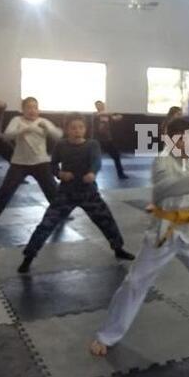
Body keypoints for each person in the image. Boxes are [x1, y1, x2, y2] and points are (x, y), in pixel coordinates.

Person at [89, 117, 189, 356]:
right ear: (172, 139)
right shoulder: (162, 160)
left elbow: (186, 192)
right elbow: (163, 188)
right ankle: (106, 336)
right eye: (185, 136)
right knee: (135, 282)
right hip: (164, 231)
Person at [18, 113, 134, 273]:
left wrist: (93, 173)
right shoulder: (61, 145)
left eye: (80, 127)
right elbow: (52, 165)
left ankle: (118, 249)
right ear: (67, 130)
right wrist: (60, 174)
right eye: (73, 128)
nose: (77, 131)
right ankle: (28, 257)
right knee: (46, 224)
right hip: (66, 193)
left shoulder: (92, 144)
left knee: (106, 220)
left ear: (85, 129)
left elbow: (96, 161)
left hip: (89, 192)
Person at [0, 97, 63, 228]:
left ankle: (60, 213)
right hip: (19, 163)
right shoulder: (17, 120)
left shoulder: (43, 121)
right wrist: (24, 129)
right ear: (23, 109)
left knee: (52, 189)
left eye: (35, 107)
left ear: (38, 109)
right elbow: (7, 136)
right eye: (29, 107)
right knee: (6, 190)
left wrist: (48, 128)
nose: (32, 110)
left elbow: (58, 135)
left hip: (41, 162)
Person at [93, 100, 128, 179]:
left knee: (116, 156)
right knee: (92, 158)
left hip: (107, 141)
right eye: (98, 105)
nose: (100, 107)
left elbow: (118, 118)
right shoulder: (96, 115)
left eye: (101, 105)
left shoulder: (107, 116)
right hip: (97, 141)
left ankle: (121, 174)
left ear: (104, 105)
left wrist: (118, 115)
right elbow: (102, 114)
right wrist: (111, 113)